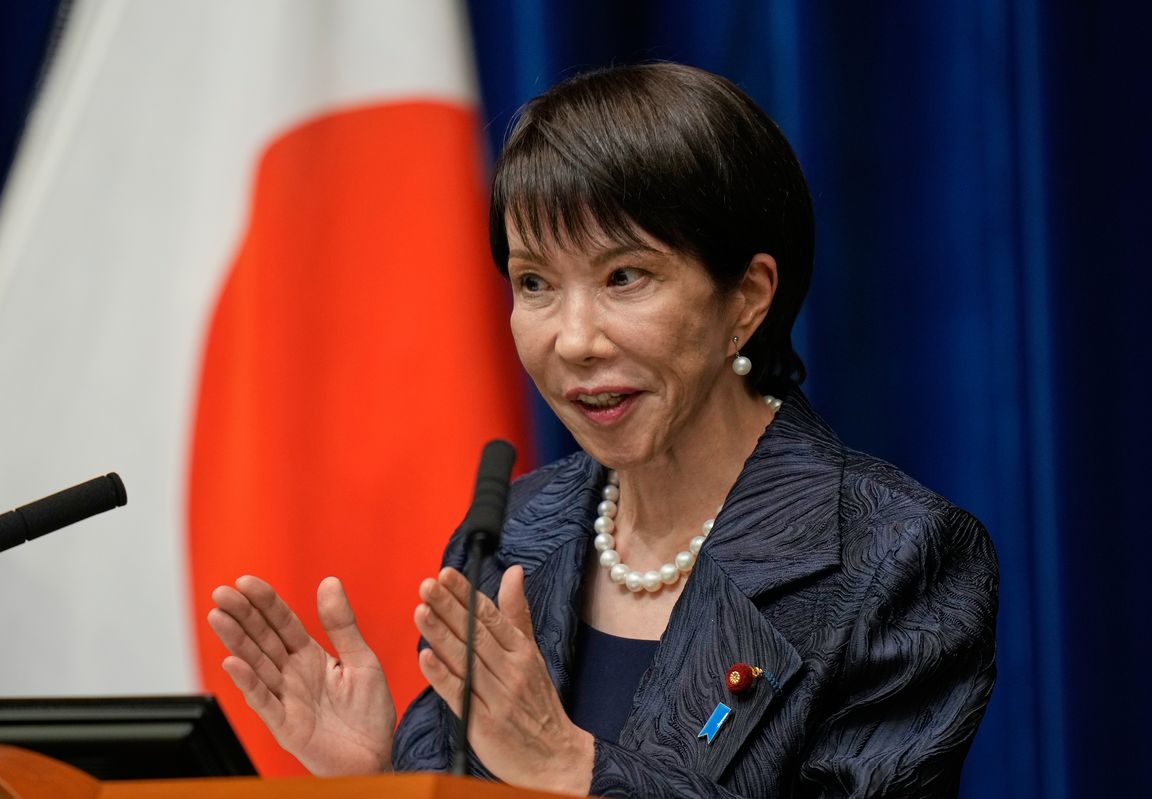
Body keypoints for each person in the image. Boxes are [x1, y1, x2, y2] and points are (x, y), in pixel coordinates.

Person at [207, 63, 998, 798]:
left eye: (625, 276)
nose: (575, 339)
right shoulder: (514, 536)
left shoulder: (894, 557)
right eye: (535, 283)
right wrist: (373, 776)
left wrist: (572, 767)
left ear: (748, 298)